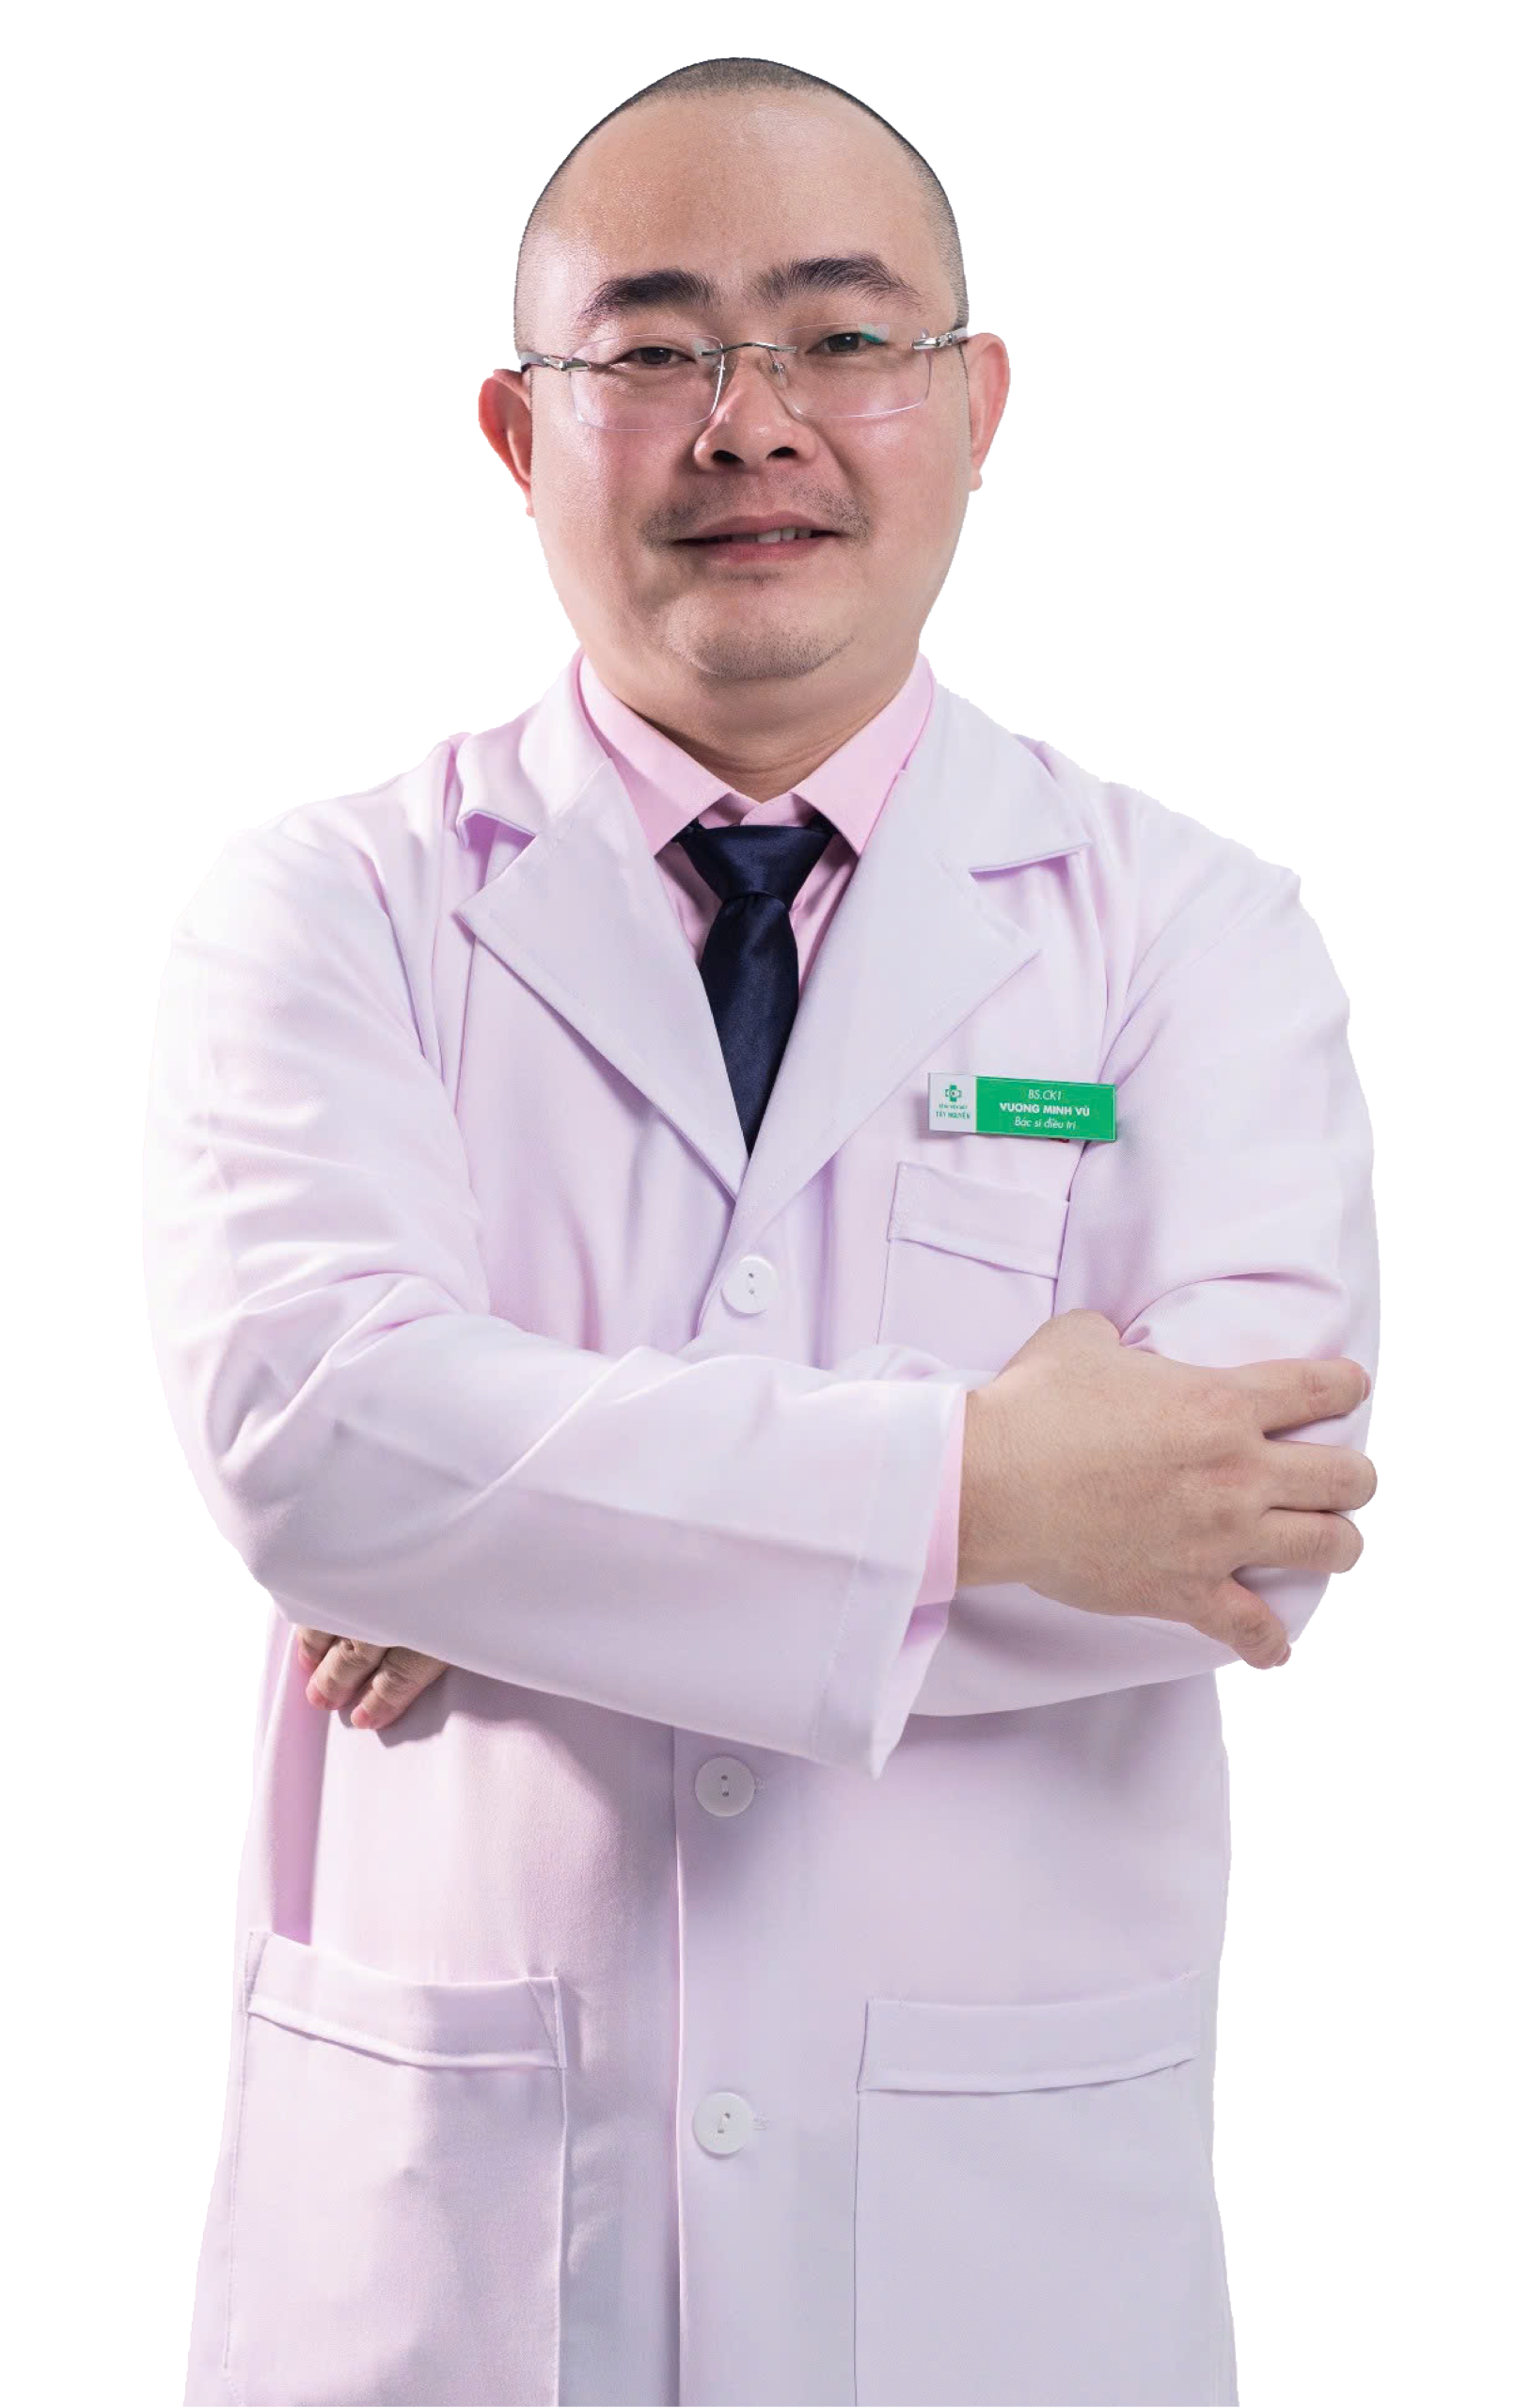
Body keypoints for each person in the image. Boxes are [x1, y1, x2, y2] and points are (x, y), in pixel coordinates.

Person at [148, 54, 1379, 2408]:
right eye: (655, 348)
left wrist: (510, 1545)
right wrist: (990, 1486)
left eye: (837, 335)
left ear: (975, 405)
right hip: (442, 2269)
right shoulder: (324, 908)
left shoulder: (1190, 928)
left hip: (994, 2261)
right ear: (519, 430)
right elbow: (315, 1437)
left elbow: (1241, 1527)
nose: (752, 423)